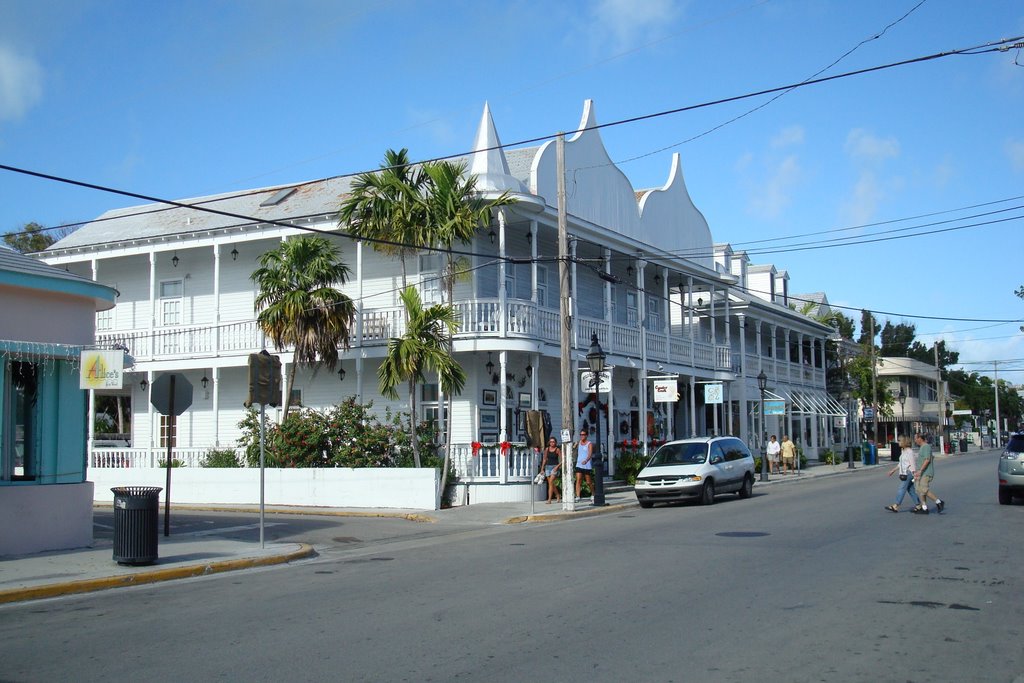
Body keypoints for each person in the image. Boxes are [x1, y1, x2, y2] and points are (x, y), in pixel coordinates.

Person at [885, 435, 920, 512]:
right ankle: (918, 505)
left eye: (900, 440)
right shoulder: (904, 451)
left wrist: (915, 474)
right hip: (904, 473)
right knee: (910, 490)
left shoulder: (909, 452)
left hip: (908, 473)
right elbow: (901, 463)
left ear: (905, 442)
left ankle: (896, 505)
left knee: (902, 488)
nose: (898, 442)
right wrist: (893, 470)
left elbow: (913, 464)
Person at [913, 433, 945, 514]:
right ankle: (924, 508)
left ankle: (938, 502)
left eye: (915, 438)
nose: (915, 440)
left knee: (924, 489)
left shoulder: (926, 447)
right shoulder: (922, 447)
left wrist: (920, 470)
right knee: (920, 490)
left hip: (926, 472)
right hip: (921, 472)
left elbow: (927, 460)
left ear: (920, 438)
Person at [540, 437, 562, 504]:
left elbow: (562, 460)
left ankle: (549, 499)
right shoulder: (547, 449)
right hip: (547, 467)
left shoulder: (557, 450)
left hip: (554, 467)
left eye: (553, 442)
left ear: (555, 442)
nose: (552, 443)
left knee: (551, 482)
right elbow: (544, 459)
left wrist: (557, 466)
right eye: (551, 442)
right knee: (551, 483)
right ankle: (558, 495)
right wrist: (542, 469)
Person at [575, 428, 594, 502]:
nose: (582, 436)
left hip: (586, 465)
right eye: (581, 435)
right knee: (578, 480)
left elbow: (590, 454)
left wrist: (586, 460)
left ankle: (593, 494)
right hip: (579, 464)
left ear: (586, 435)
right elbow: (574, 448)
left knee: (588, 482)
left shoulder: (589, 444)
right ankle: (578, 496)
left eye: (583, 435)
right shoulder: (579, 442)